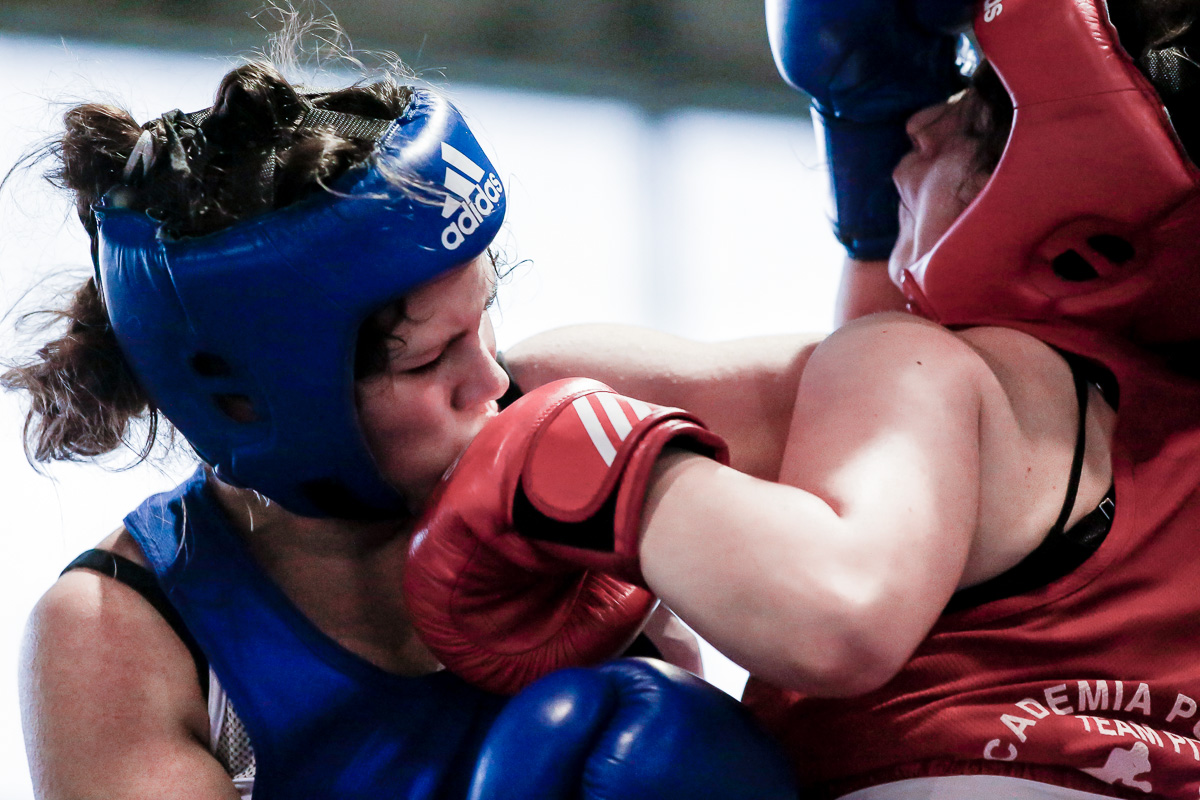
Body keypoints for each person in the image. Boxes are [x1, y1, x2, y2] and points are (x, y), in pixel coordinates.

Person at [403, 0, 1200, 797]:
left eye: (976, 114)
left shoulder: (929, 367)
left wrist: (588, 462)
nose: (921, 126)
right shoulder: (1157, 434)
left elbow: (839, 614)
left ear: (1066, 183)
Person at [3, 33, 800, 800]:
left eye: (483, 315)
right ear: (256, 401)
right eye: (427, 359)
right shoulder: (125, 633)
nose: (489, 379)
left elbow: (895, 382)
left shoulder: (572, 404)